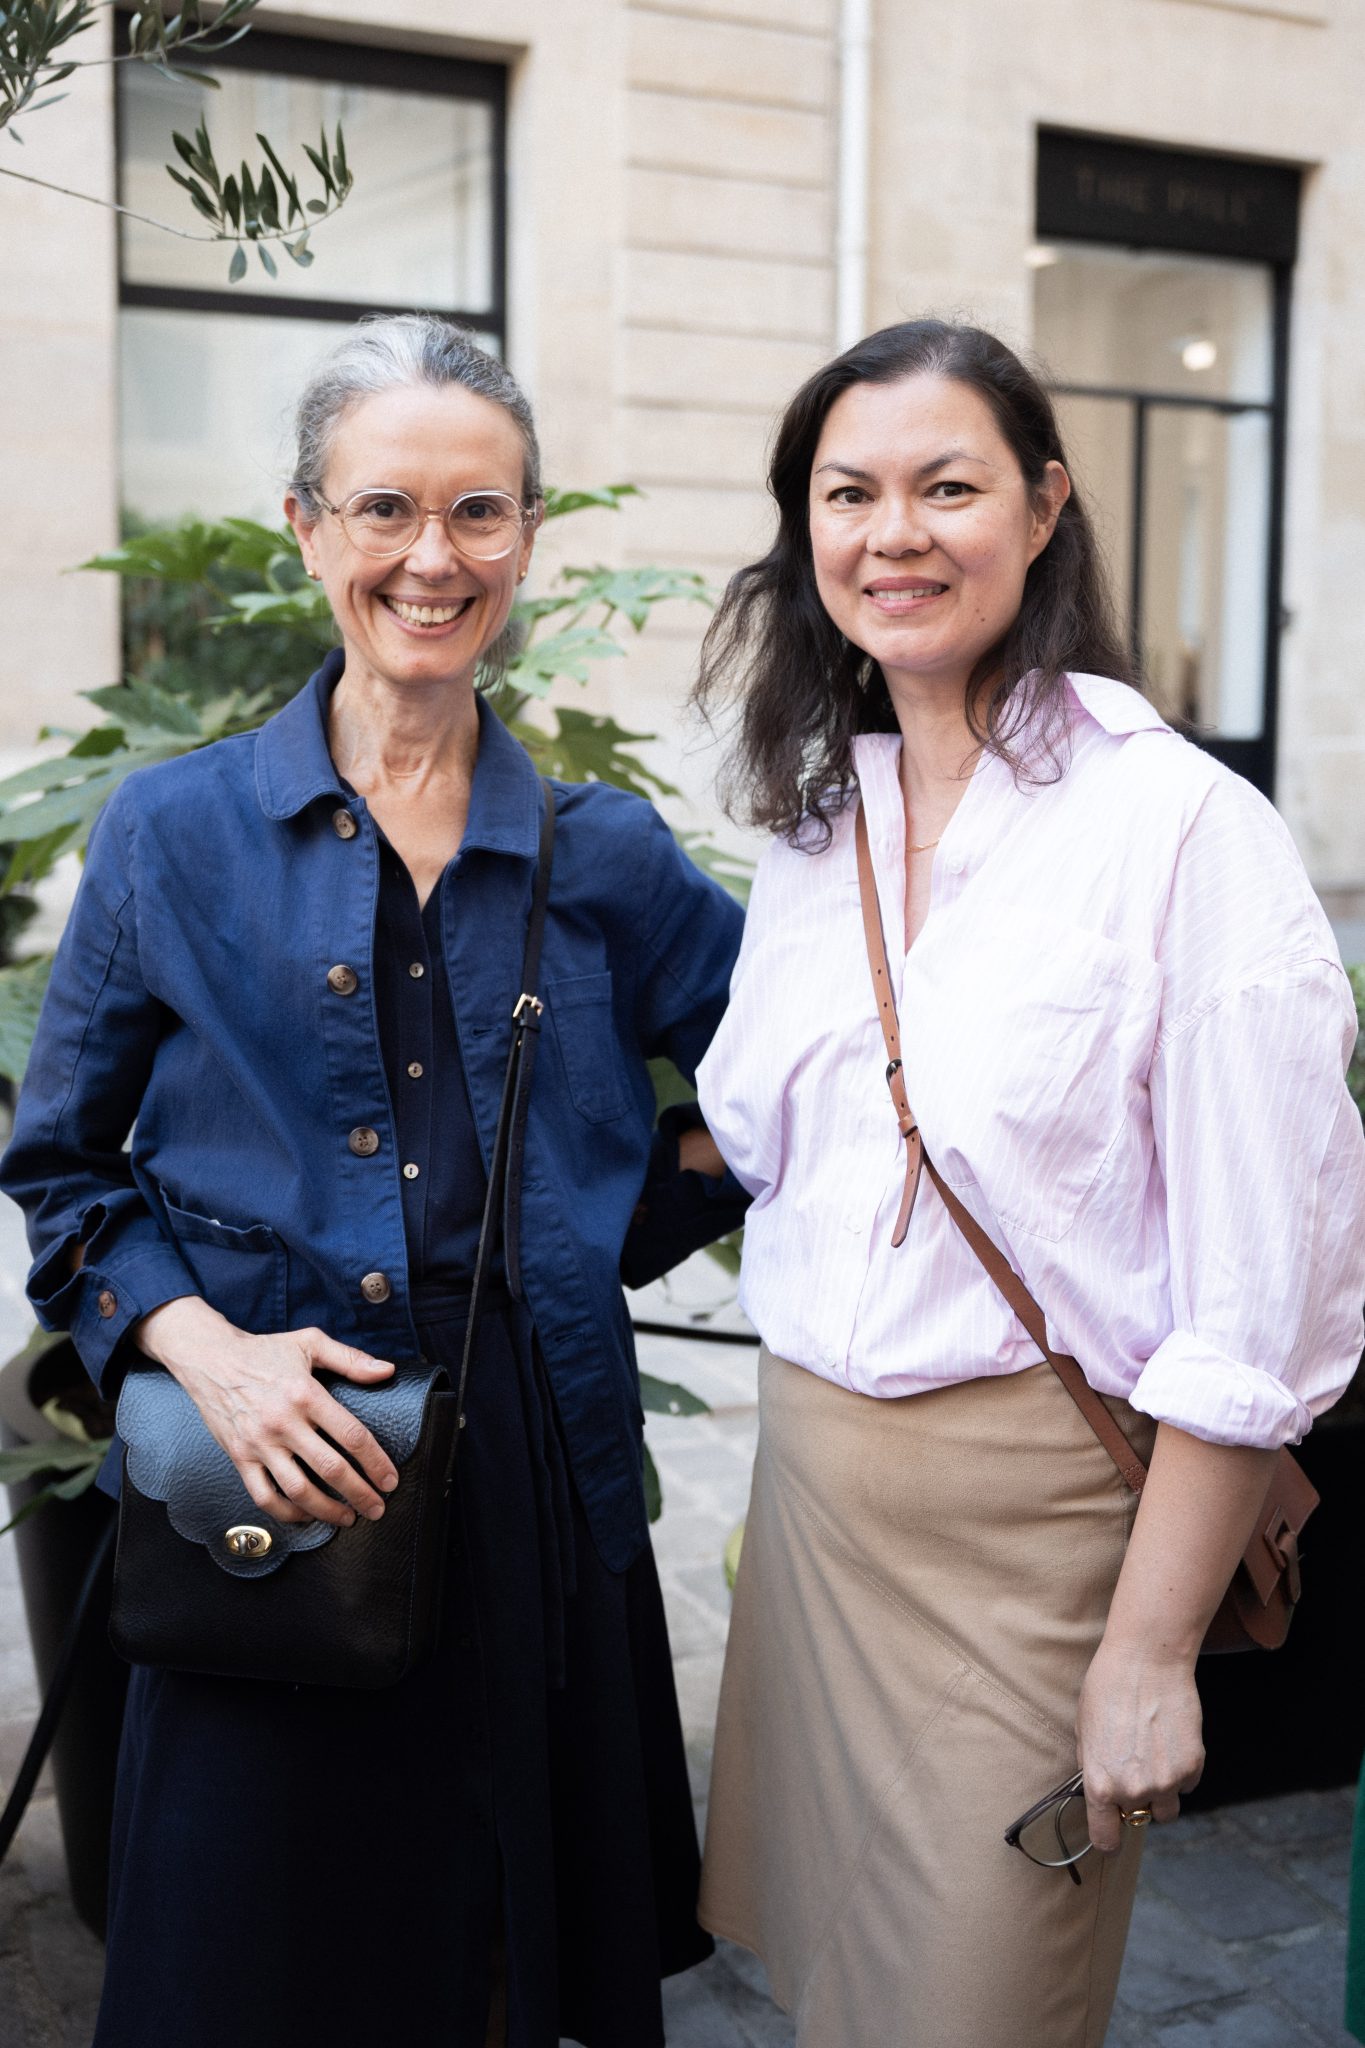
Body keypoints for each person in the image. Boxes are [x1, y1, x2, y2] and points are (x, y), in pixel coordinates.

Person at [0, 313, 747, 2048]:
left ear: (529, 538)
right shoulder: (171, 834)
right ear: (306, 527)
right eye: (386, 510)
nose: (433, 557)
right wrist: (205, 1349)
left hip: (528, 1495)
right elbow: (60, 1164)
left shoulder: (611, 859)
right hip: (268, 1481)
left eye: (479, 513)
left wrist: (590, 1227)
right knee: (248, 1971)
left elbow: (787, 1095)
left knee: (500, 1967)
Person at [691, 318, 1365, 2048]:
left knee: (980, 2010)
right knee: (832, 1990)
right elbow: (780, 1145)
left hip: (1043, 1544)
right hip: (818, 1511)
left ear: (1044, 504)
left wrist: (1144, 1653)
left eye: (946, 485)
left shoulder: (1180, 831)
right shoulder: (807, 820)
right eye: (847, 492)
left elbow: (1257, 1292)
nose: (891, 532)